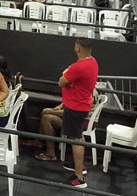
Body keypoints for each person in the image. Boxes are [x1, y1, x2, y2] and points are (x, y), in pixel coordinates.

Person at [57, 37, 99, 188]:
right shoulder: (93, 61)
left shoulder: (78, 67)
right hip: (81, 106)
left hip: (75, 107)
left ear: (77, 49)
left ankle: (79, 178)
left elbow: (61, 81)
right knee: (79, 136)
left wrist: (67, 72)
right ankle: (78, 165)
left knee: (76, 139)